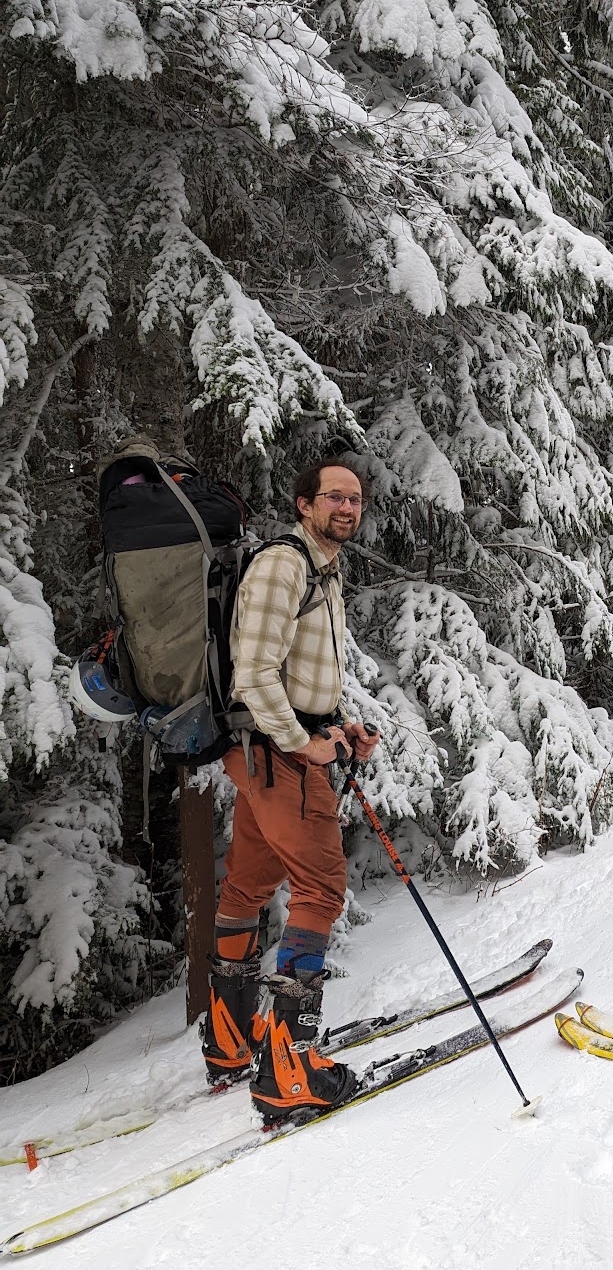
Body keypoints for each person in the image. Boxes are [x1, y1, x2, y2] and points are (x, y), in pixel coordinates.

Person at [200, 458, 380, 1120]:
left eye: (355, 498)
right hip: (279, 758)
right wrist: (303, 741)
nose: (347, 506)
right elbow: (253, 671)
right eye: (334, 496)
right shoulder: (286, 564)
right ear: (304, 504)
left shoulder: (322, 568)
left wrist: (335, 728)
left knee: (248, 887)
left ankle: (229, 1038)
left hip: (272, 753)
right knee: (322, 889)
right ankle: (290, 1063)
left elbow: (298, 678)